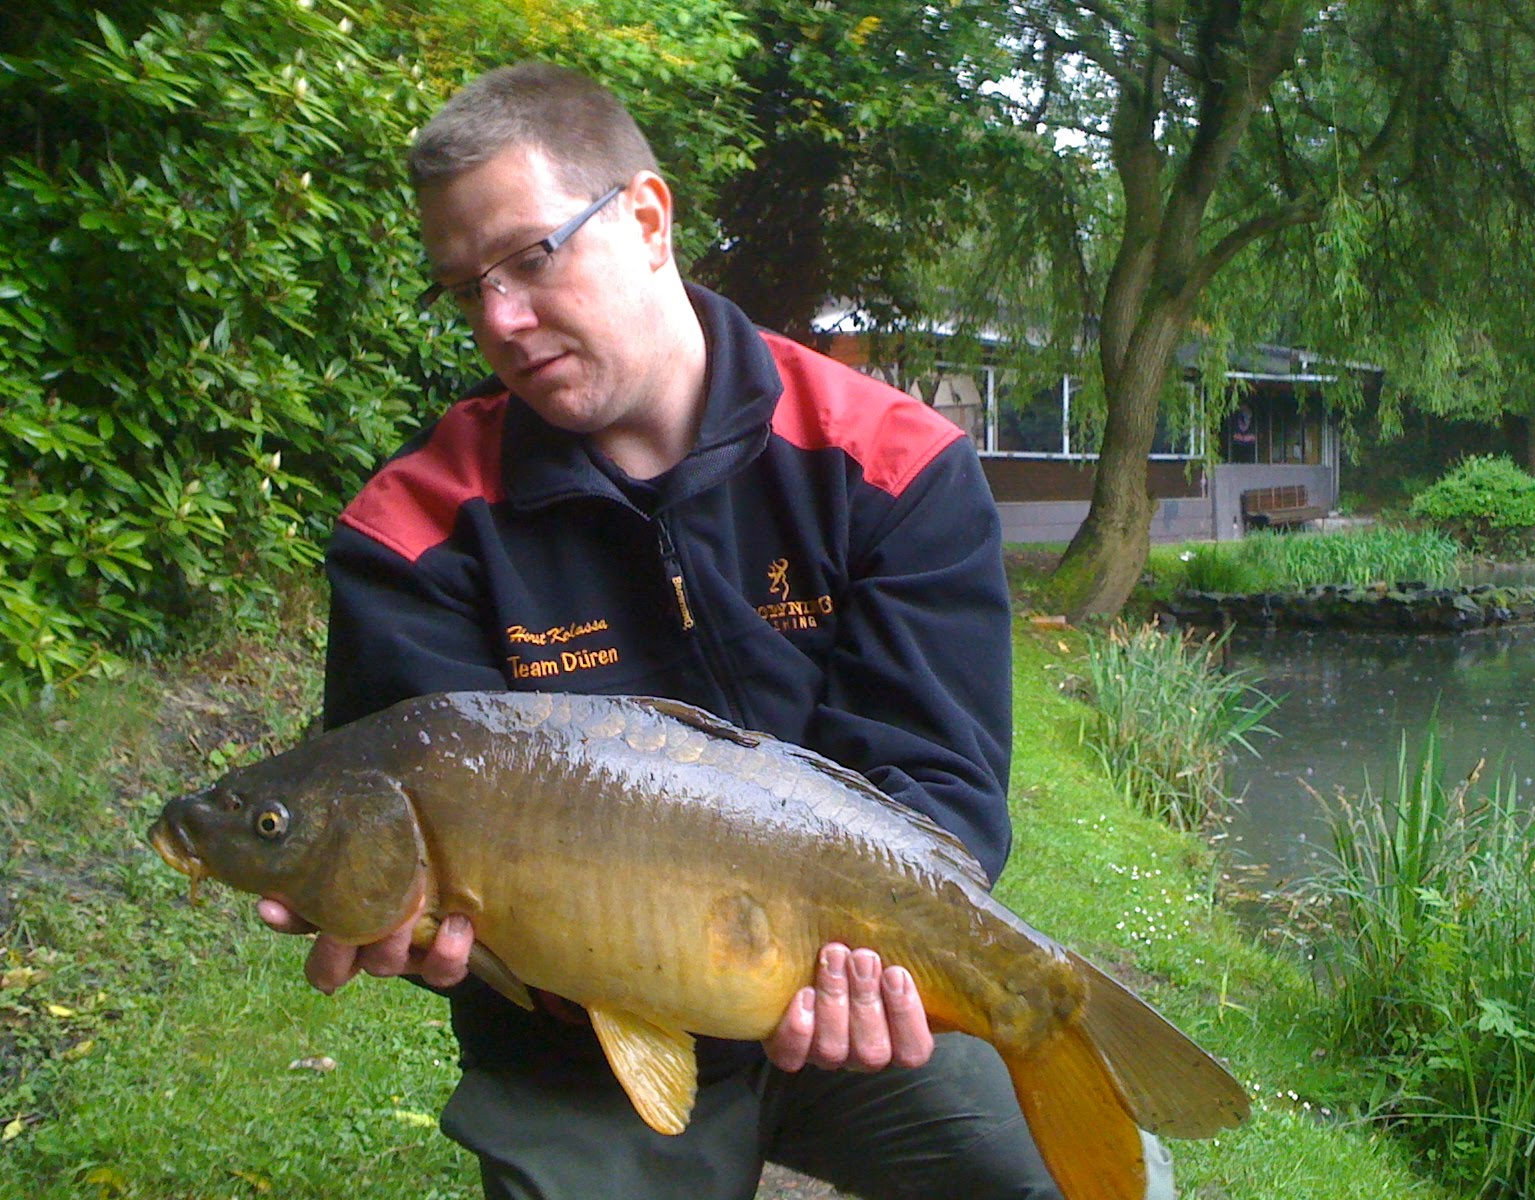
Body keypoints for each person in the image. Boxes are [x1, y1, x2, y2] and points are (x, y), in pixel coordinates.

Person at [258, 61, 1171, 1200]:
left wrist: (862, 975)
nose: (500, 318)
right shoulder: (412, 531)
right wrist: (426, 943)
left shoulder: (891, 463)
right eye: (463, 287)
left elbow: (936, 780)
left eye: (533, 256)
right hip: (576, 1036)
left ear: (646, 218)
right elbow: (410, 845)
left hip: (857, 998)